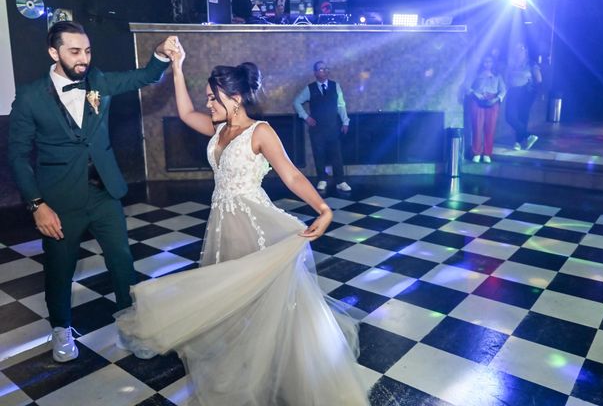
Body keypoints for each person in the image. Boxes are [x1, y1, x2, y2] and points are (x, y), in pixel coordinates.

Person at [115, 40, 369, 406]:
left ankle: (283, 366)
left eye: (212, 98)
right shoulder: (217, 130)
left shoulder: (260, 132)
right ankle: (245, 358)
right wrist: (178, 66)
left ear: (234, 98)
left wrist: (324, 209)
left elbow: (292, 176)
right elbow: (185, 112)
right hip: (221, 224)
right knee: (229, 295)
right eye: (207, 98)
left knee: (261, 296)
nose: (207, 104)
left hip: (254, 222)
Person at [7, 21, 177, 362]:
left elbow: (143, 77)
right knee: (60, 269)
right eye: (74, 51)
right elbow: (17, 154)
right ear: (53, 52)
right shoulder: (30, 96)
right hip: (59, 200)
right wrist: (37, 204)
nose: (83, 58)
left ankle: (130, 326)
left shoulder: (98, 80)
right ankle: (61, 328)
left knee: (122, 261)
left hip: (104, 193)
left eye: (87, 50)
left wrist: (160, 53)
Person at [293, 60, 351, 192]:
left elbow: (341, 105)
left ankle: (340, 181)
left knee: (336, 154)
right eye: (321, 69)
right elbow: (297, 102)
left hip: (333, 127)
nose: (324, 71)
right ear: (315, 73)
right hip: (317, 129)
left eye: (326, 69)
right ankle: (322, 179)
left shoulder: (335, 86)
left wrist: (345, 121)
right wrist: (306, 117)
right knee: (319, 154)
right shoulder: (310, 88)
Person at [468, 55, 506, 163]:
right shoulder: (476, 74)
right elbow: (467, 86)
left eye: (489, 62)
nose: (487, 64)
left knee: (490, 128)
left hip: (492, 102)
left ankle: (487, 153)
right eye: (485, 62)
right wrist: (475, 94)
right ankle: (476, 152)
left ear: (493, 63)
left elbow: (503, 90)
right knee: (477, 127)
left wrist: (496, 99)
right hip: (477, 101)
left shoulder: (497, 76)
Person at [505, 42, 542, 150]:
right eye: (516, 49)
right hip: (512, 91)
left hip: (526, 92)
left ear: (525, 50)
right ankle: (528, 136)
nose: (518, 51)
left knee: (522, 117)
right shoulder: (512, 64)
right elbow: (507, 77)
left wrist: (535, 93)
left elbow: (539, 79)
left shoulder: (531, 64)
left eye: (521, 49)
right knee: (509, 117)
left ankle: (518, 142)